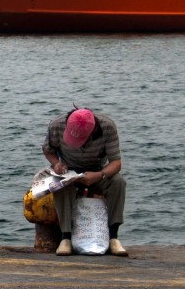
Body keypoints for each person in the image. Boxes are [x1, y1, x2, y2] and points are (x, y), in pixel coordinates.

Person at [42, 107, 127, 256]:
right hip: (68, 171)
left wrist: (99, 175)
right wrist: (57, 164)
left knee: (118, 182)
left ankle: (113, 236)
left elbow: (116, 163)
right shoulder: (56, 125)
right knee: (59, 184)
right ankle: (66, 237)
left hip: (97, 171)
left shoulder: (108, 126)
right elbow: (48, 150)